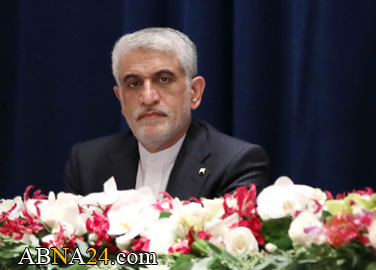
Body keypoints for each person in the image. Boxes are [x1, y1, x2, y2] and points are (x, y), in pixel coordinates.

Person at [64, 27, 269, 199]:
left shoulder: (235, 163)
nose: (148, 98)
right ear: (121, 100)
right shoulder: (87, 162)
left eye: (164, 79)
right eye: (134, 83)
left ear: (194, 92)